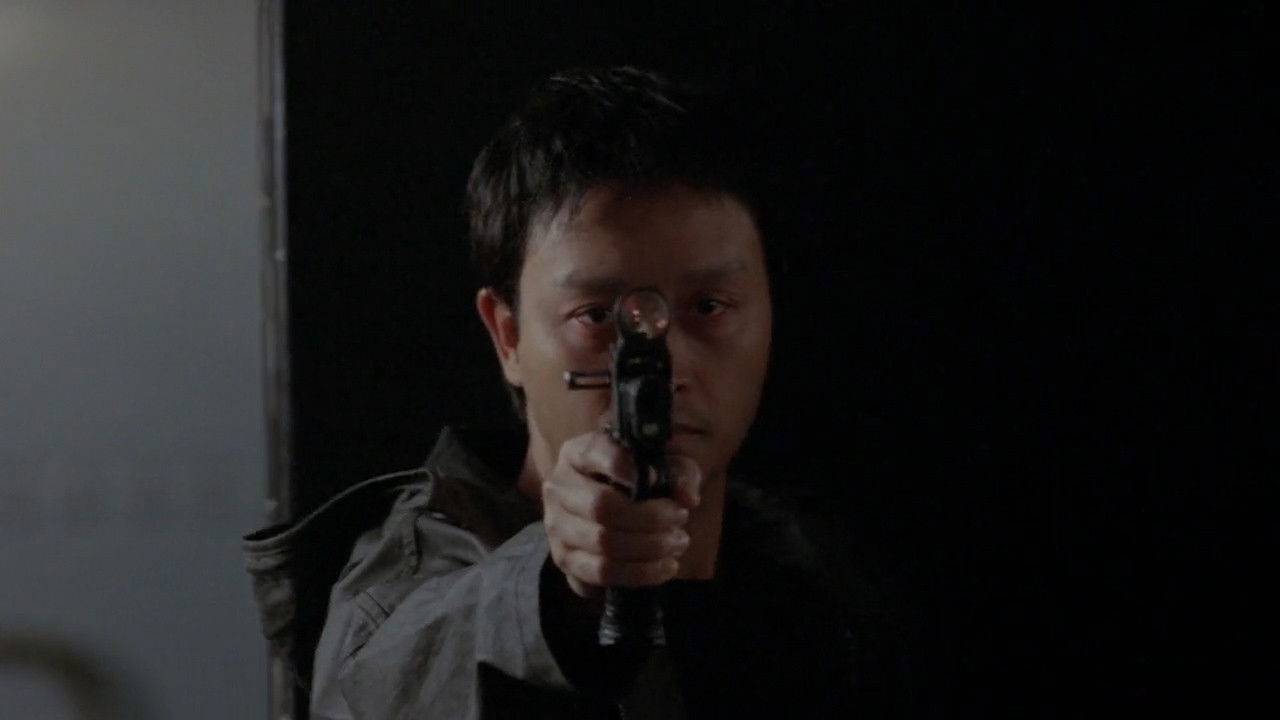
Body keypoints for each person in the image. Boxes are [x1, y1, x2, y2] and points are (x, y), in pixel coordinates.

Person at [247, 66, 891, 719]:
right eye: (596, 316)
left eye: (708, 306)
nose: (664, 364)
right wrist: (563, 586)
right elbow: (392, 676)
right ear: (508, 336)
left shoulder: (814, 585)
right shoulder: (398, 588)